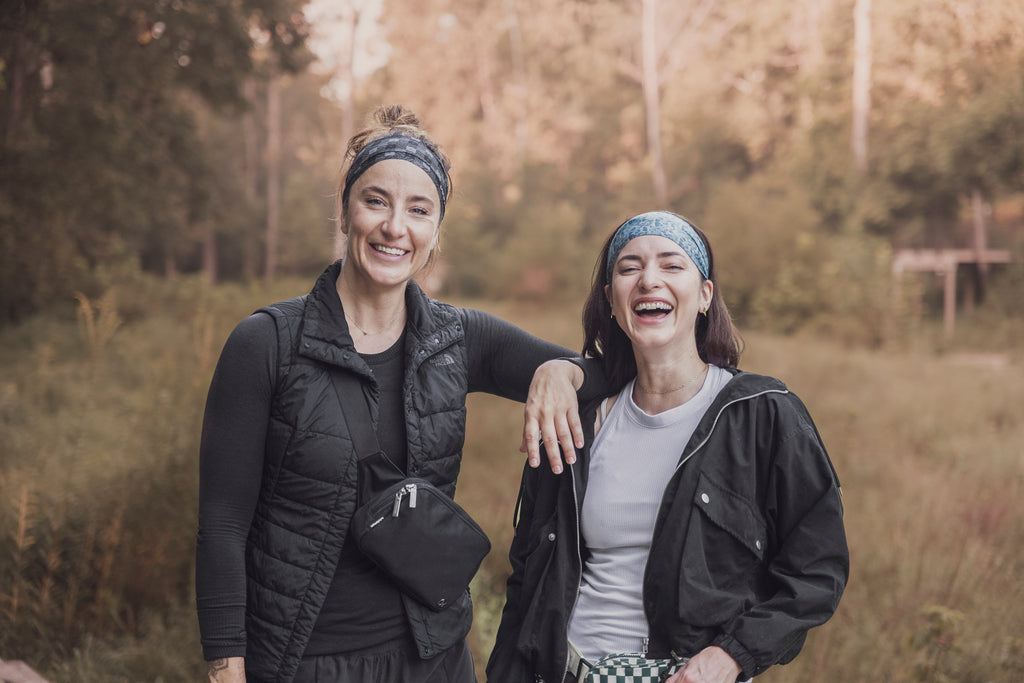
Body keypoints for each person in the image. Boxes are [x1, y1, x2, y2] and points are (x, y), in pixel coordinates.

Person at [195, 105, 597, 683]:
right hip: (301, 662)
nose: (394, 227)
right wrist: (226, 668)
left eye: (418, 210)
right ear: (343, 210)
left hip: (432, 660)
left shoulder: (460, 338)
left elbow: (605, 373)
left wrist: (562, 372)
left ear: (435, 230)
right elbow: (223, 524)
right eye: (375, 200)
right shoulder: (266, 344)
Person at [486, 211, 850, 683]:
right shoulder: (574, 418)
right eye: (629, 267)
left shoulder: (762, 414)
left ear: (704, 296)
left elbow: (817, 569)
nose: (648, 280)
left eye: (672, 266)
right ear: (612, 303)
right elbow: (526, 577)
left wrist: (733, 654)